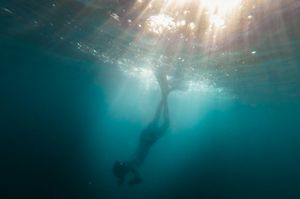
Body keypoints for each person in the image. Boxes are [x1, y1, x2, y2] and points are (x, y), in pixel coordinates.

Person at [113, 69, 173, 186]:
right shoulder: (126, 165)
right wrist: (122, 178)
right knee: (156, 117)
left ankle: (166, 94)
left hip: (148, 141)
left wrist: (132, 181)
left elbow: (139, 178)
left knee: (166, 124)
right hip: (144, 137)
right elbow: (122, 171)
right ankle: (164, 93)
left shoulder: (130, 166)